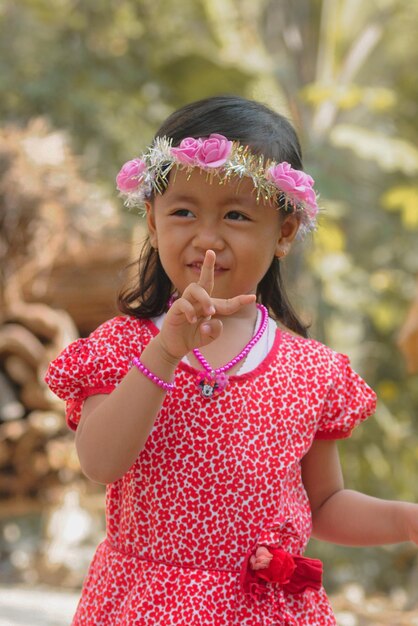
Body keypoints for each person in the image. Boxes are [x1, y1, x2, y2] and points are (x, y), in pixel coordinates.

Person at [45, 95, 418, 626]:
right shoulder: (122, 347)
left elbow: (326, 503)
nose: (207, 236)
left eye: (237, 214)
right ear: (152, 220)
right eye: (183, 211)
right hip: (145, 608)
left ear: (284, 232)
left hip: (265, 612)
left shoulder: (311, 373)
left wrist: (404, 520)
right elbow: (100, 463)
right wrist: (166, 351)